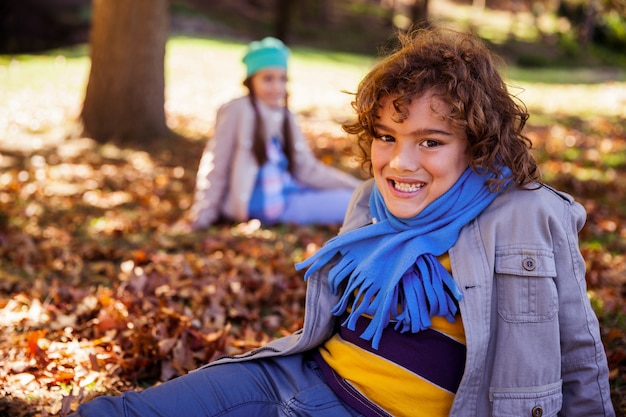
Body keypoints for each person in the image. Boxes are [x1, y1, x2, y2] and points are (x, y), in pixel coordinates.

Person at [72, 28, 615, 416]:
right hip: (292, 377)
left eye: (430, 141)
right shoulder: (368, 203)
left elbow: (578, 358)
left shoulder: (528, 215)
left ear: (476, 143)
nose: (400, 162)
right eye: (386, 137)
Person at [188, 36, 362, 230]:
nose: (277, 87)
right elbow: (216, 165)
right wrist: (203, 216)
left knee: (357, 199)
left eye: (282, 79)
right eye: (268, 79)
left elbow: (307, 169)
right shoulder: (237, 110)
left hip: (289, 194)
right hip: (265, 206)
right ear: (250, 80)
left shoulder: (285, 115)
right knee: (358, 205)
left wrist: (355, 186)